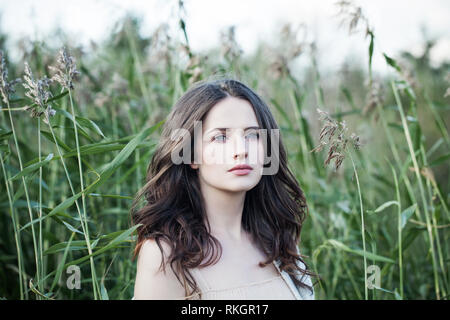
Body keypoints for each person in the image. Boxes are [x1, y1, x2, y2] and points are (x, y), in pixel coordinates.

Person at [131, 78, 315, 300]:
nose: (241, 150)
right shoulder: (166, 253)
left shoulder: (281, 242)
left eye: (252, 135)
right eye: (220, 137)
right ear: (190, 154)